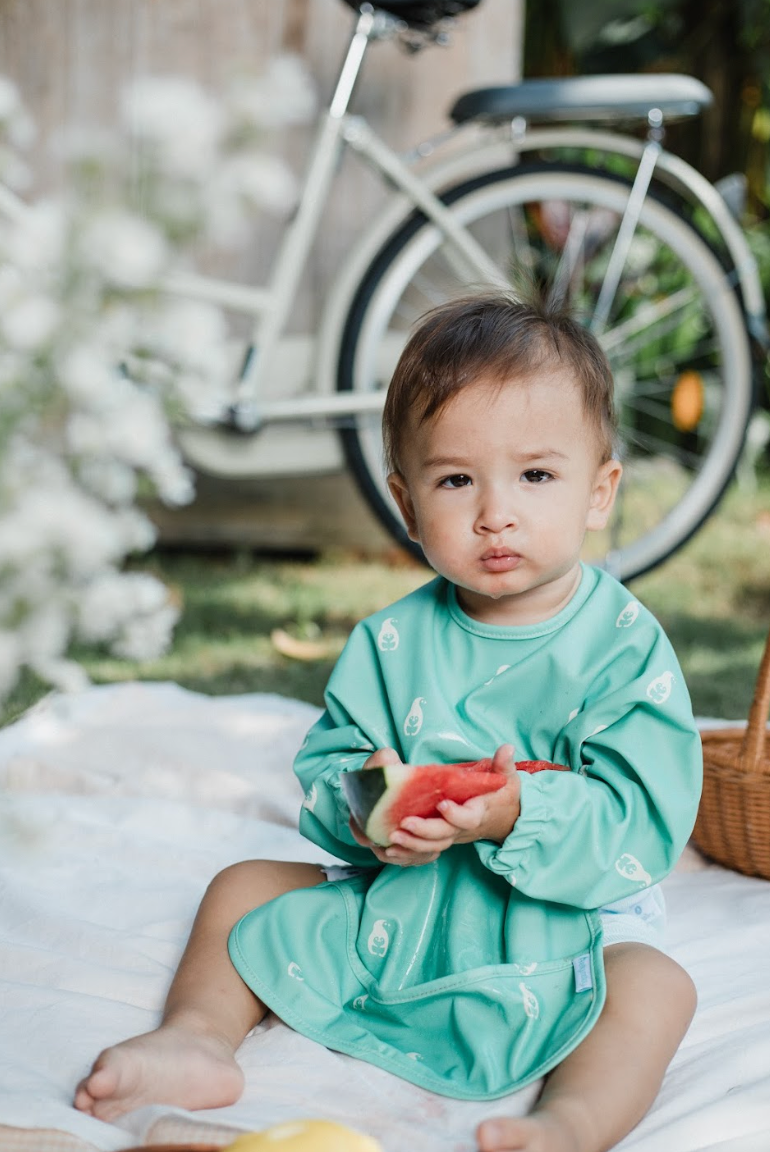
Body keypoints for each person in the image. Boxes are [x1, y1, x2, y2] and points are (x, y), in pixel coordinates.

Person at [74, 292, 702, 1152]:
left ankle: (572, 1121)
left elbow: (647, 821)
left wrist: (523, 810)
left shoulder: (625, 647)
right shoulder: (392, 639)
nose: (495, 512)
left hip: (568, 921)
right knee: (241, 886)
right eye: (455, 480)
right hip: (406, 904)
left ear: (601, 492)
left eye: (536, 475)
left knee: (658, 986)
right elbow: (331, 769)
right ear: (408, 507)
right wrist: (370, 812)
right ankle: (197, 1037)